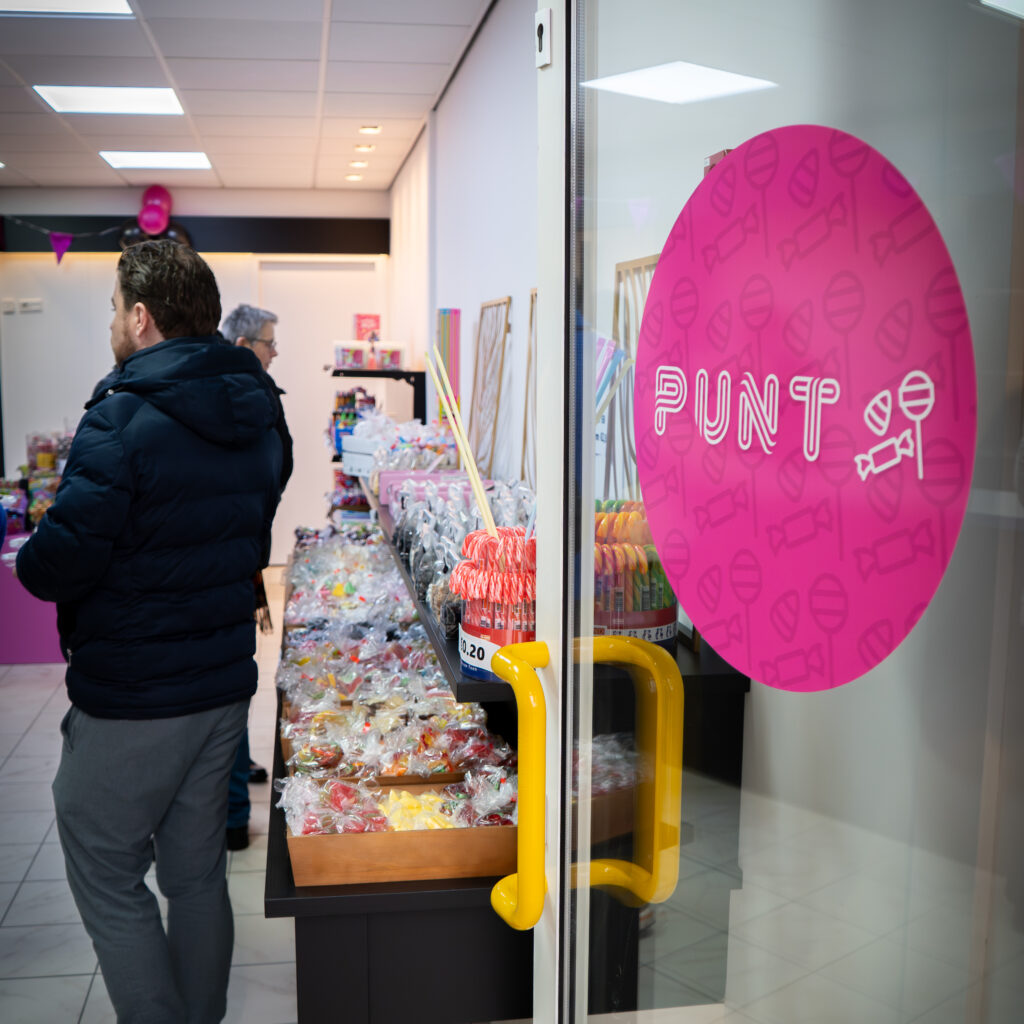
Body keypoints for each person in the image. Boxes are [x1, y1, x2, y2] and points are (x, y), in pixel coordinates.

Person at [16, 239, 290, 1024]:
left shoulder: (120, 417)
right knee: (196, 875)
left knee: (103, 865)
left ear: (140, 317)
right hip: (222, 681)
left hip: (134, 692)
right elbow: (254, 527)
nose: (111, 322)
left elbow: (57, 562)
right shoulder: (258, 410)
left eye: (112, 308)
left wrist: (32, 554)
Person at [219, 302, 291, 849]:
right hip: (228, 562)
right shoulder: (240, 396)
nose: (275, 352)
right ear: (244, 346)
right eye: (269, 343)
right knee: (230, 680)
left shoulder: (238, 392)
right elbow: (274, 470)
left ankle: (239, 776)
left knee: (233, 679)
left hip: (232, 556)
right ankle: (234, 812)